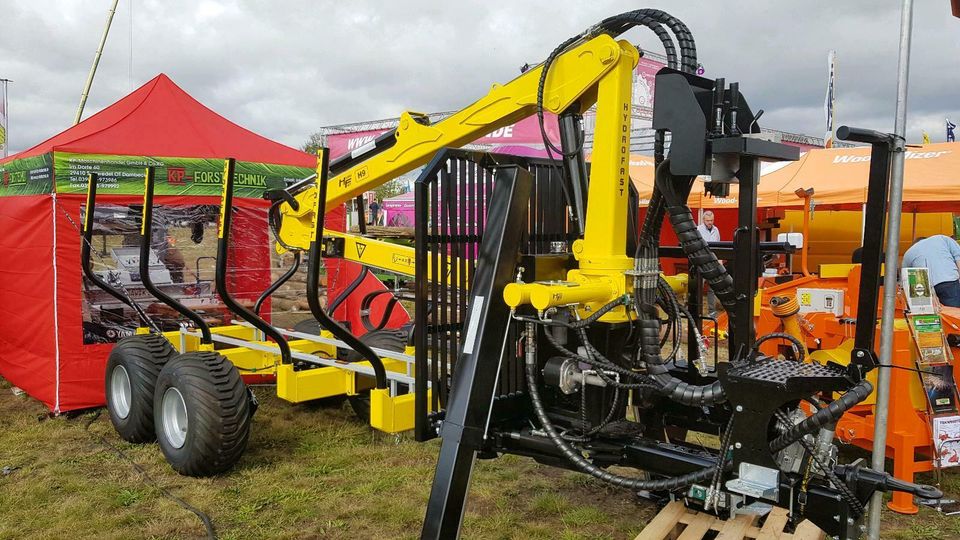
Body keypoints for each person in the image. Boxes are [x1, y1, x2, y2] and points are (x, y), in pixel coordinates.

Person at [901, 235, 960, 307]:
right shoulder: (942, 238)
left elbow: (905, 280)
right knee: (953, 313)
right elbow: (958, 259)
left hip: (925, 288)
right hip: (949, 281)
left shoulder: (908, 253)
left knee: (932, 315)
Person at [696, 210, 721, 317]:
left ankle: (712, 312)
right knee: (698, 288)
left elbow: (718, 246)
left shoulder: (716, 230)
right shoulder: (698, 230)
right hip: (701, 263)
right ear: (703, 220)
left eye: (711, 220)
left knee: (712, 288)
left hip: (712, 263)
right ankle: (697, 311)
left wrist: (719, 261)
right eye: (707, 220)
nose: (710, 222)